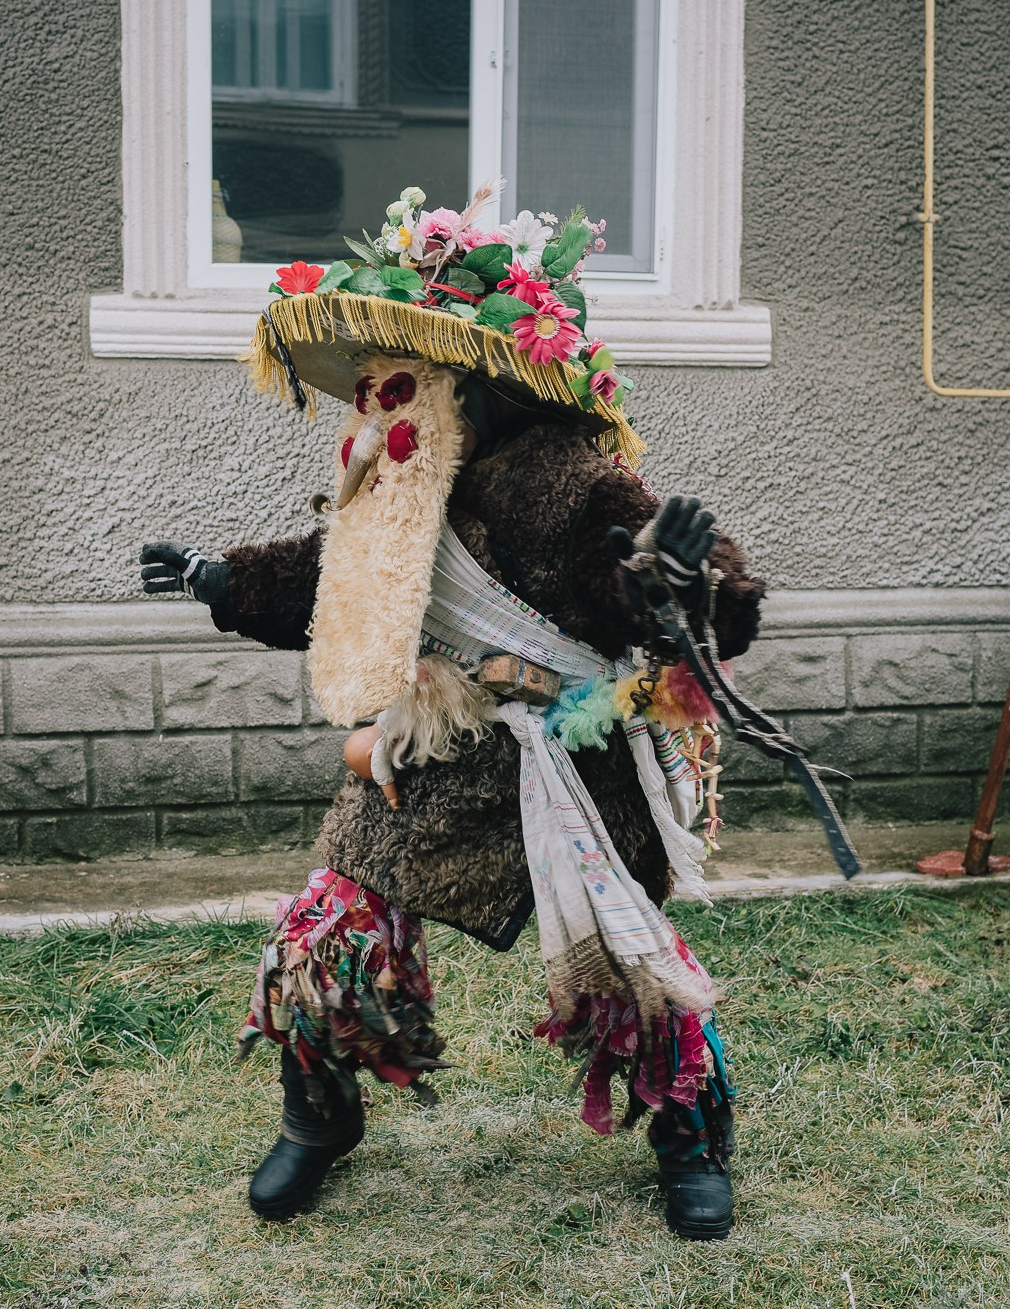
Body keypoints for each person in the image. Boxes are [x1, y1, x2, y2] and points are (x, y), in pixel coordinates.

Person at [140, 182, 764, 1240]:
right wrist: (218, 580)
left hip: (576, 765)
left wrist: (686, 581)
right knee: (325, 929)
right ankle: (316, 1117)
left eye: (422, 371)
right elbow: (330, 573)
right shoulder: (404, 472)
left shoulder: (580, 483)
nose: (393, 393)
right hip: (437, 748)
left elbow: (657, 588)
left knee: (629, 962)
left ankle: (688, 1138)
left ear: (485, 375)